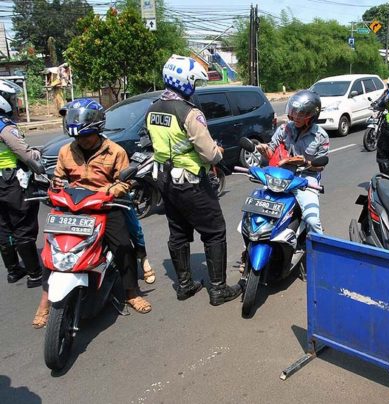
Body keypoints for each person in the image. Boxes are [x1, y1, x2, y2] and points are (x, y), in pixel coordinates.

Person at [33, 98, 152, 329]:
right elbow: (59, 177)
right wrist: (55, 184)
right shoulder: (66, 151)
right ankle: (45, 302)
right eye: (78, 137)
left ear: (97, 131)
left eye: (86, 136)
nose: (82, 141)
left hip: (105, 206)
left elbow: (124, 182)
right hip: (73, 207)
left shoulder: (115, 151)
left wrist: (112, 191)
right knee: (53, 249)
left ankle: (131, 292)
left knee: (123, 246)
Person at [146, 54, 242, 305]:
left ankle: (185, 285)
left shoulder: (153, 108)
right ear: (185, 82)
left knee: (178, 231)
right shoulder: (189, 113)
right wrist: (218, 151)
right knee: (215, 231)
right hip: (191, 182)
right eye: (194, 83)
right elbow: (209, 154)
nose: (195, 88)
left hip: (164, 179)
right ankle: (218, 290)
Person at [256, 90, 329, 235]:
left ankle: (318, 245)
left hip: (305, 179)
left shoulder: (321, 136)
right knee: (259, 211)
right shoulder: (284, 129)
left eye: (301, 114)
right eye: (295, 112)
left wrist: (306, 162)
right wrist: (264, 150)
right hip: (281, 176)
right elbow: (271, 152)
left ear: (312, 115)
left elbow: (320, 166)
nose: (296, 116)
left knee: (312, 220)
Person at [0, 81, 43, 289]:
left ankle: (13, 270)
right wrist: (36, 153)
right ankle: (34, 274)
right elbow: (24, 154)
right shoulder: (5, 126)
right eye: (11, 98)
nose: (14, 102)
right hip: (12, 182)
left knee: (3, 228)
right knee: (23, 226)